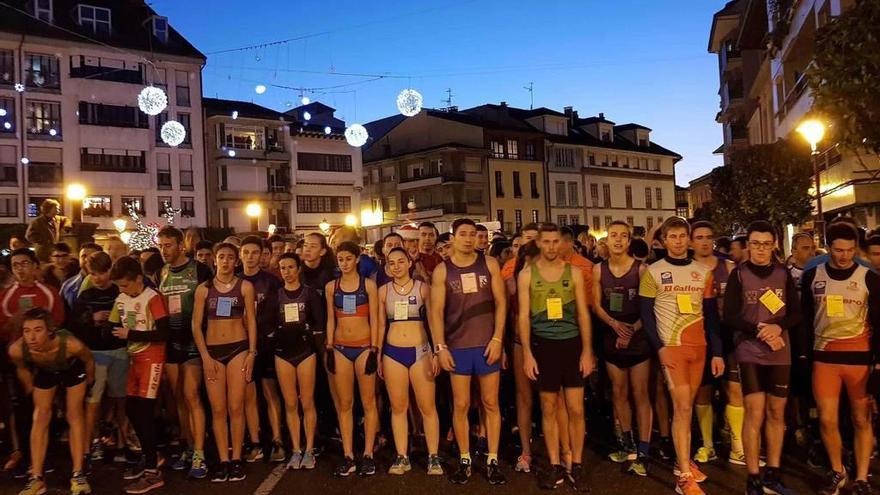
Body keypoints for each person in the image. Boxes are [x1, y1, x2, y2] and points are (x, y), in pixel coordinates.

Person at [639, 217, 723, 495]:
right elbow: (646, 315)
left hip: (698, 349)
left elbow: (711, 316)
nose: (677, 241)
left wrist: (717, 352)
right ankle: (684, 476)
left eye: (681, 236)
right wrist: (659, 347)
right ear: (663, 241)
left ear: (688, 239)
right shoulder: (653, 271)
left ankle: (682, 460)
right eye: (671, 237)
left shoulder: (703, 272)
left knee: (686, 409)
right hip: (671, 347)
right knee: (684, 407)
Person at [722, 221, 801, 495]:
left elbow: (796, 312)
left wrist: (779, 327)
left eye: (766, 244)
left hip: (780, 351)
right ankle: (753, 477)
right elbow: (730, 316)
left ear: (774, 245)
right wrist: (759, 330)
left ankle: (774, 474)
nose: (761, 249)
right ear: (748, 245)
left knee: (777, 413)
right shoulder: (739, 275)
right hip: (750, 351)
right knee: (754, 414)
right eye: (755, 244)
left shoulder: (783, 273)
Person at [801, 223, 880, 495]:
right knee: (827, 420)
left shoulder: (869, 277)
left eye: (849, 250)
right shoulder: (813, 275)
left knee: (861, 420)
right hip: (824, 358)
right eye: (837, 250)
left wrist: (878, 362)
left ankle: (861, 477)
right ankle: (838, 471)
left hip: (859, 357)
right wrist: (804, 357)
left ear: (856, 248)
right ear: (829, 246)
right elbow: (805, 318)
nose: (844, 256)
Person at [430, 219, 507, 485]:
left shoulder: (489, 264)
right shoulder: (442, 270)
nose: (467, 239)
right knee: (461, 404)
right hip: (458, 346)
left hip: (486, 344)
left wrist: (498, 339)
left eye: (472, 234)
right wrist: (440, 347)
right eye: (462, 234)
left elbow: (501, 303)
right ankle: (465, 458)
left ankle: (492, 458)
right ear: (453, 237)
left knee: (490, 402)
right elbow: (436, 312)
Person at [518, 224, 593, 489]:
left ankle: (578, 464)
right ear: (538, 243)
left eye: (555, 242)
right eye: (546, 241)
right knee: (548, 408)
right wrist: (527, 353)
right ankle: (554, 464)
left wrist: (587, 351)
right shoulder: (527, 275)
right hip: (543, 346)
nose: (551, 246)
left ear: (562, 243)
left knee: (575, 408)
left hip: (571, 344)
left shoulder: (573, 272)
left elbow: (583, 314)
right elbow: (524, 317)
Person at [191, 243, 257, 483]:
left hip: (238, 348)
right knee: (218, 409)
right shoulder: (203, 290)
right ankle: (223, 459)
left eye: (230, 257)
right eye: (222, 257)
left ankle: (237, 458)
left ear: (236, 261)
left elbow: (251, 321)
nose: (226, 261)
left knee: (236, 407)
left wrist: (252, 352)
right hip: (213, 352)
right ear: (215, 261)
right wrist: (205, 357)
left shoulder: (245, 287)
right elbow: (196, 326)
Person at [9, 308, 93, 495]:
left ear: (50, 331)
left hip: (72, 367)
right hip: (46, 370)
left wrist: (90, 382)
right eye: (27, 331)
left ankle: (78, 475)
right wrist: (31, 390)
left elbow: (88, 360)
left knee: (74, 414)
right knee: (40, 416)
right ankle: (36, 478)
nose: (31, 336)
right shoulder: (17, 350)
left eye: (38, 330)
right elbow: (21, 369)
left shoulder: (72, 344)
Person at [591, 221, 652, 476]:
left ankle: (644, 448)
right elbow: (596, 305)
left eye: (623, 236)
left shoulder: (641, 269)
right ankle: (626, 442)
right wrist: (615, 325)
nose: (617, 240)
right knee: (618, 392)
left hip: (637, 338)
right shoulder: (598, 270)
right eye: (613, 236)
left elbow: (650, 307)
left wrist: (631, 330)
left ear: (629, 241)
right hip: (611, 336)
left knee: (640, 393)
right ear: (607, 240)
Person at [377, 247, 443, 476]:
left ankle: (433, 456)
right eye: (391, 263)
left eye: (401, 261)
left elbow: (434, 322)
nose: (396, 266)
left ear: (409, 263)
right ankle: (402, 455)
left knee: (427, 407)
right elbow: (380, 325)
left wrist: (437, 350)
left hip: (421, 351)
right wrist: (377, 354)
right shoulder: (383, 291)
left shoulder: (423, 288)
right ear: (386, 266)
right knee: (398, 408)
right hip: (393, 353)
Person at [108, 256, 170, 494]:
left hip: (152, 359)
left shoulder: (152, 298)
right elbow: (112, 327)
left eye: (125, 285)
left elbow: (164, 332)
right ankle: (151, 455)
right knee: (133, 409)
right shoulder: (122, 299)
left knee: (143, 411)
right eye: (119, 286)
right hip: (133, 360)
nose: (122, 290)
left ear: (138, 279)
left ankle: (153, 470)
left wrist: (131, 334)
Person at [156, 226, 212, 478]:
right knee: (178, 397)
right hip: (171, 343)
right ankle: (188, 446)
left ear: (180, 245)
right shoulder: (161, 272)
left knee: (192, 395)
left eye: (168, 245)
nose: (163, 250)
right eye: (160, 245)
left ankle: (200, 453)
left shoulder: (199, 270)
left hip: (193, 341)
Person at [325, 241, 380, 477]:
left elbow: (376, 319)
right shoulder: (331, 287)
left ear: (357, 259)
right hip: (340, 348)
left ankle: (368, 453)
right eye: (341, 259)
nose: (345, 263)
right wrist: (328, 347)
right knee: (345, 404)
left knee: (368, 402)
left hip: (364, 347)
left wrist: (374, 349)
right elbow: (330, 318)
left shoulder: (368, 285)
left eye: (349, 258)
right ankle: (348, 454)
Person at [689, 221, 741, 465]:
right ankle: (708, 445)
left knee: (734, 390)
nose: (704, 241)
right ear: (691, 242)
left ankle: (738, 447)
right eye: (699, 237)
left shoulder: (729, 267)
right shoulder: (686, 269)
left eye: (708, 237)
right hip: (699, 337)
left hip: (728, 336)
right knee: (704, 392)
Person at [69, 252, 128, 467]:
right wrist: (91, 318)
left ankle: (123, 442)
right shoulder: (86, 295)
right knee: (92, 402)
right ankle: (90, 445)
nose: (99, 278)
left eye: (102, 273)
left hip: (119, 350)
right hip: (95, 352)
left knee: (121, 399)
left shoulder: (120, 291)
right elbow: (74, 323)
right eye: (94, 274)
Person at [273, 253, 323, 470]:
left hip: (306, 352)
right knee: (290, 403)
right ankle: (296, 448)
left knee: (307, 401)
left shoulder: (309, 293)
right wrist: (277, 335)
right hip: (283, 353)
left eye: (291, 267)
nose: (287, 271)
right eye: (283, 268)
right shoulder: (276, 295)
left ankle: (310, 448)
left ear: (298, 268)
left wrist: (309, 333)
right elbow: (266, 323)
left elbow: (320, 321)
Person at [239, 236, 284, 463]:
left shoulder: (271, 281)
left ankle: (277, 440)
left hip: (266, 343)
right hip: (241, 344)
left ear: (262, 255)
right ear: (240, 255)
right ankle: (255, 441)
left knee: (269, 392)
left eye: (254, 252)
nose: (250, 257)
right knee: (248, 394)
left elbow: (278, 312)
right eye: (245, 252)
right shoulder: (234, 281)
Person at [61, 243, 103, 310]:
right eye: (84, 256)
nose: (87, 259)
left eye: (92, 256)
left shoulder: (110, 283)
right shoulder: (68, 285)